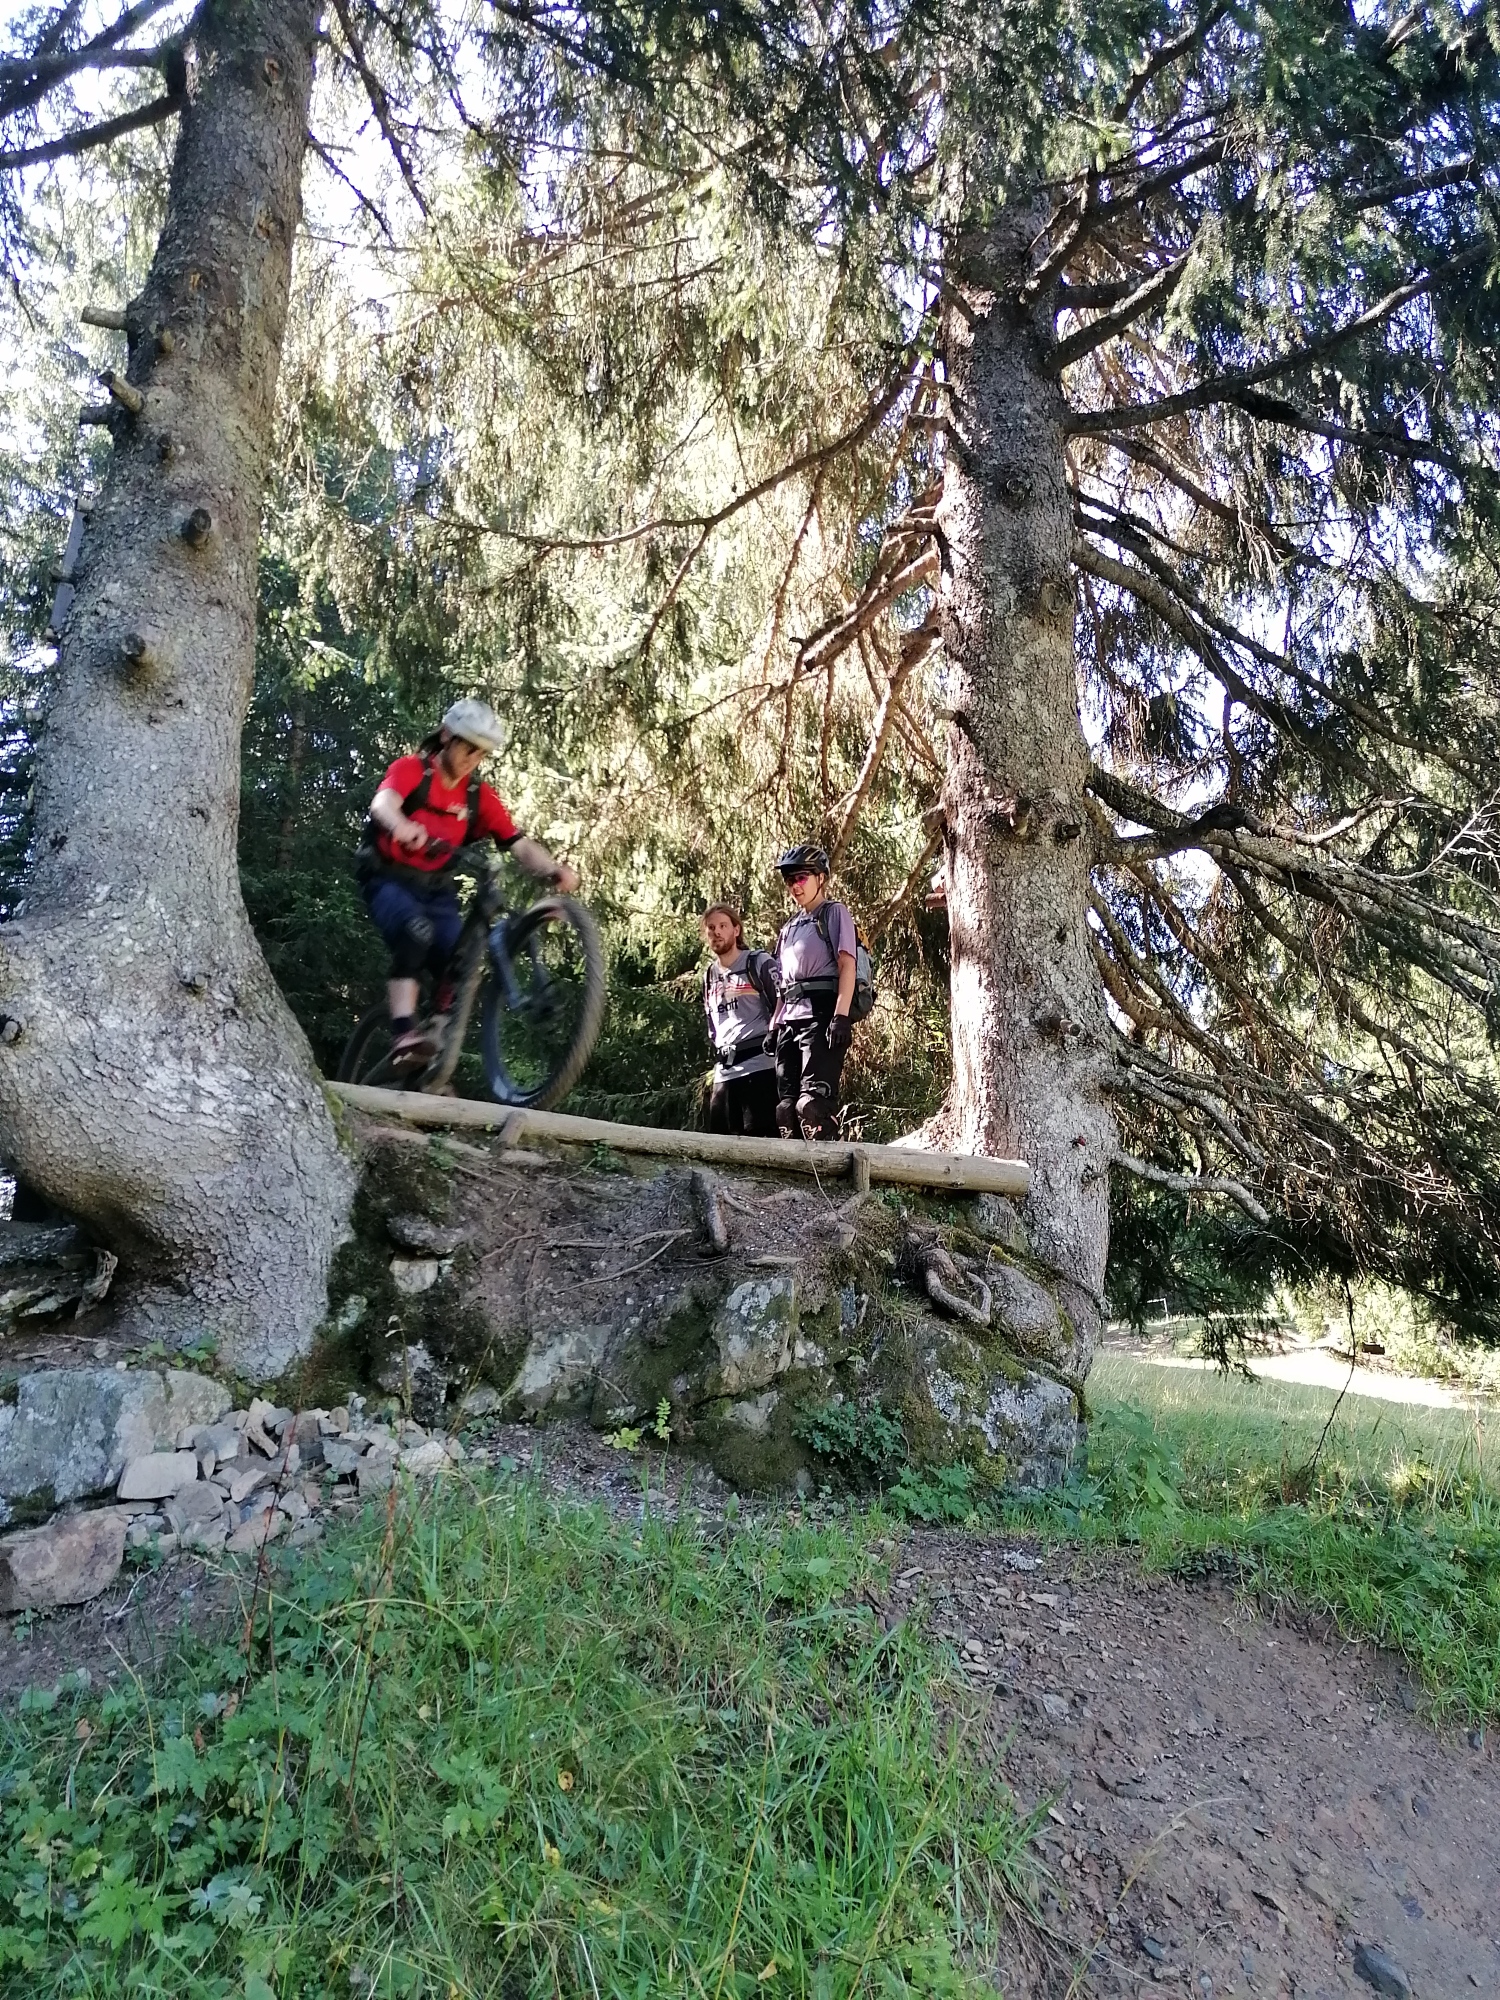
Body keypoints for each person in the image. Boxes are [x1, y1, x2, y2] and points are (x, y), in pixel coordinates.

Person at [359, 698, 578, 1069]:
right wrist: (401, 825)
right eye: (468, 747)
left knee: (457, 960)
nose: (472, 758)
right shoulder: (413, 770)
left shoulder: (478, 796)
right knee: (417, 934)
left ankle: (435, 1051)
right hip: (388, 878)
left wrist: (552, 869)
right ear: (446, 736)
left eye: (481, 753)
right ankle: (403, 1031)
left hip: (437, 889)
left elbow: (519, 844)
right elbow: (383, 804)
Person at [769, 842, 857, 1140]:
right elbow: (784, 983)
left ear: (821, 877)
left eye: (801, 878)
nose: (795, 886)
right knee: (786, 1108)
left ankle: (826, 1174)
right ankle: (795, 1177)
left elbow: (848, 964)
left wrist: (841, 1015)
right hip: (789, 1021)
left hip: (821, 1014)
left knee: (812, 1104)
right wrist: (774, 1025)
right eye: (790, 880)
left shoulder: (833, 913)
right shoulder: (789, 928)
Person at [701, 904, 780, 1136]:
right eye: (711, 928)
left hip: (760, 1068)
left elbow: (783, 1004)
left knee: (762, 1144)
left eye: (723, 926)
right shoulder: (709, 975)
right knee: (720, 1145)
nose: (716, 932)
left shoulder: (757, 962)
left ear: (736, 930)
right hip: (725, 1073)